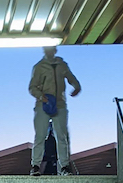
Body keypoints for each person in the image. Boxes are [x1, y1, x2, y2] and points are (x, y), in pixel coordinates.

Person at [28, 47, 82, 176]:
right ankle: (35, 165)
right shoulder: (39, 67)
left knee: (62, 136)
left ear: (55, 51)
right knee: (40, 136)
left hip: (60, 104)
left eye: (51, 49)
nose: (49, 51)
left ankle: (64, 167)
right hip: (43, 104)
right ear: (44, 51)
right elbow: (32, 87)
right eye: (46, 49)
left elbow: (71, 78)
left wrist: (76, 87)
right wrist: (41, 96)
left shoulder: (62, 65)